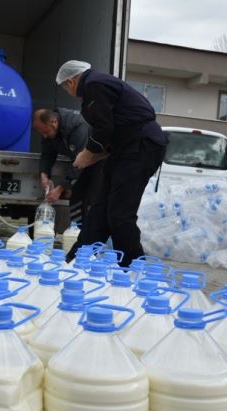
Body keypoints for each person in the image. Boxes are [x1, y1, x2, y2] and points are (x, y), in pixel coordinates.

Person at [55, 60, 168, 267]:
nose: (67, 91)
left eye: (64, 87)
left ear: (70, 82)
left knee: (119, 213)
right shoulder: (97, 85)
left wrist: (88, 154)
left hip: (141, 147)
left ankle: (133, 269)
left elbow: (103, 128)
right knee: (100, 209)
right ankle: (77, 260)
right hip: (124, 149)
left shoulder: (94, 85)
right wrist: (96, 155)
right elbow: (114, 127)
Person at [32, 108, 107, 246]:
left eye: (45, 131)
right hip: (80, 163)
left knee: (90, 201)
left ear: (54, 122)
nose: (44, 136)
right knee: (76, 200)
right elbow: (47, 155)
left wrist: (60, 189)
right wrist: (44, 174)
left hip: (97, 162)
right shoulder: (49, 131)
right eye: (41, 133)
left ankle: (92, 242)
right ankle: (77, 235)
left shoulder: (77, 128)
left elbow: (80, 163)